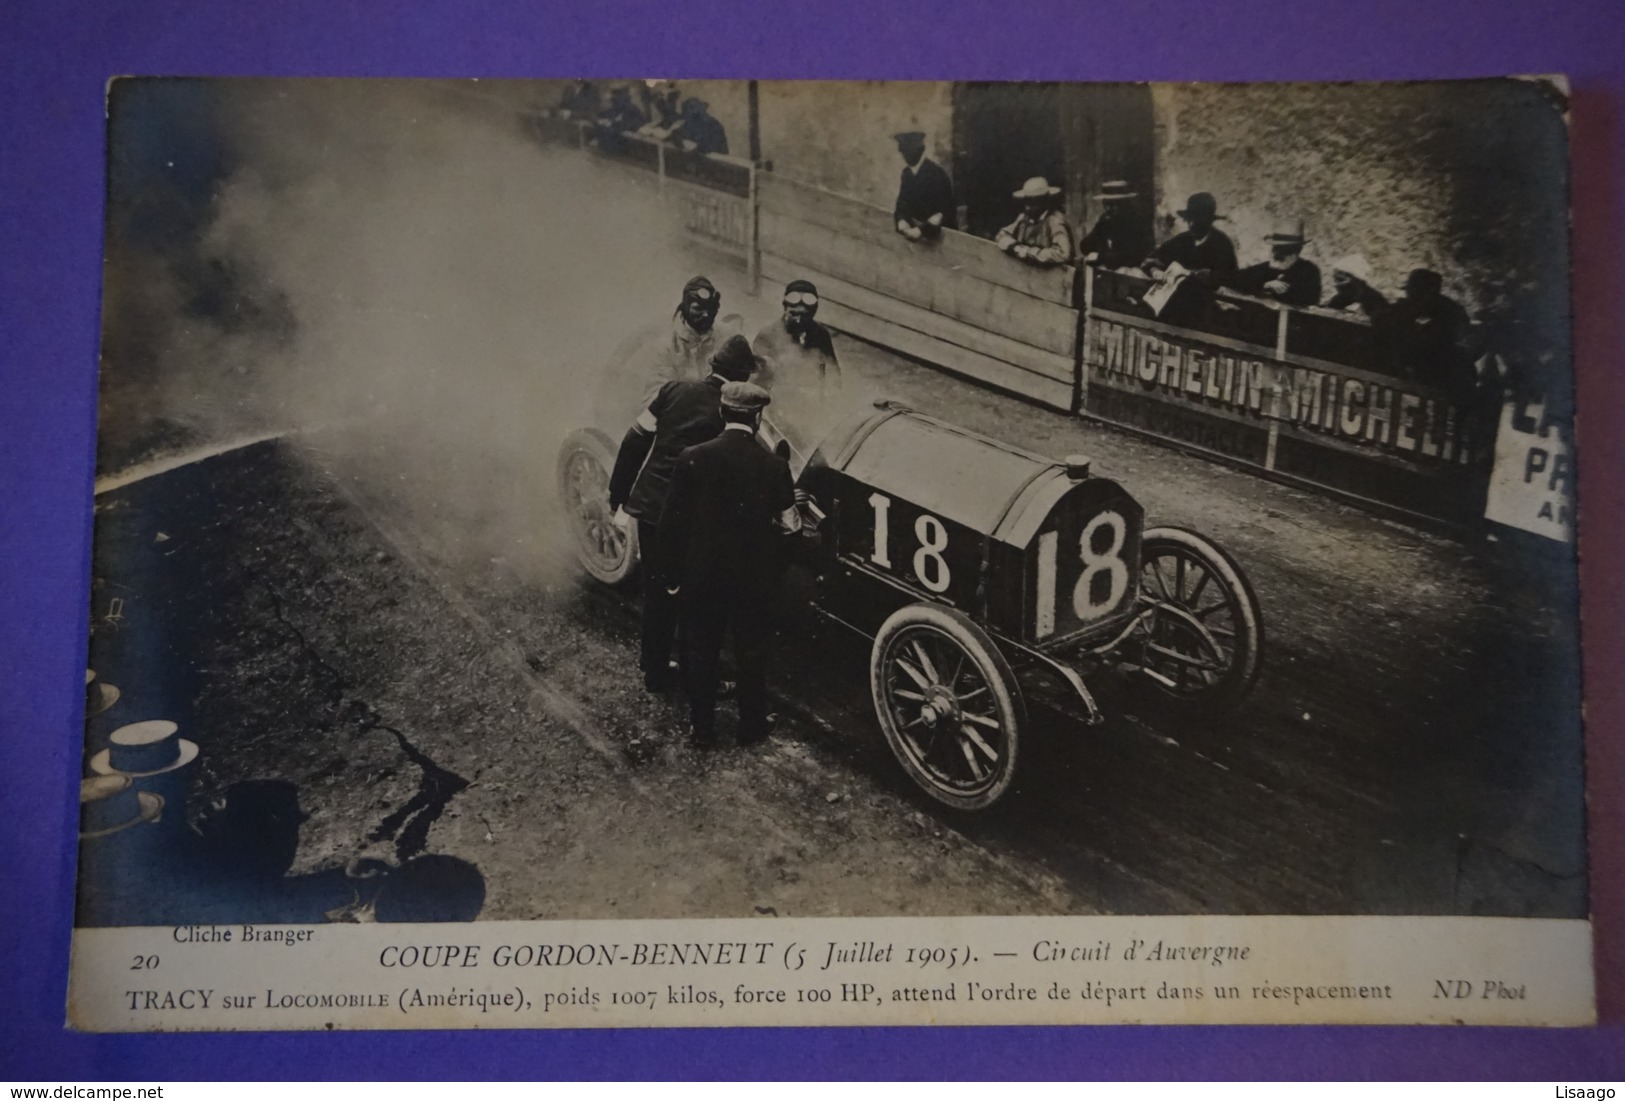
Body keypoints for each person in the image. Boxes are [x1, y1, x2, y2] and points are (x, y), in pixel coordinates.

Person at [607, 335, 762, 692]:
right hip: (692, 519)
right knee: (697, 599)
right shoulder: (733, 413)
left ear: (712, 365)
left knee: (658, 592)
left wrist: (619, 494)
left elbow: (634, 440)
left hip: (650, 506)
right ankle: (697, 678)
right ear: (744, 379)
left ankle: (655, 669)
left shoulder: (672, 390)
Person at [659, 381, 804, 747]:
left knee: (701, 650)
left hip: (701, 576)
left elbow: (671, 524)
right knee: (751, 652)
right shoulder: (774, 467)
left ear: (722, 413)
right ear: (757, 418)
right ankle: (751, 725)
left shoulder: (692, 457)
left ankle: (702, 730)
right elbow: (791, 529)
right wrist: (772, 569)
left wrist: (673, 575)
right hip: (751, 580)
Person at [751, 279, 841, 457]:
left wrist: (830, 400)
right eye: (794, 314)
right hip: (777, 411)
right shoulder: (767, 336)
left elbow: (832, 372)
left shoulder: (820, 334)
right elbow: (757, 380)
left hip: (810, 409)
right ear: (785, 308)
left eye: (805, 315)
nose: (799, 320)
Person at [1378, 268, 1479, 396]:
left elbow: (1457, 340)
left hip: (1442, 374)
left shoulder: (1450, 310)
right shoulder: (1412, 305)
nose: (1408, 293)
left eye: (1413, 289)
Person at [1144, 192, 1238, 285]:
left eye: (1197, 221)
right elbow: (1152, 259)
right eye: (1190, 219)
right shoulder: (1182, 240)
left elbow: (1228, 279)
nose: (1191, 225)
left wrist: (1190, 274)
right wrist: (1155, 270)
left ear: (1208, 221)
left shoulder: (1221, 244)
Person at [1232, 223, 1322, 307]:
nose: (1277, 253)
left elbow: (1309, 300)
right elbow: (1236, 279)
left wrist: (1281, 291)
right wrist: (1264, 285)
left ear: (1297, 250)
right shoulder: (1265, 267)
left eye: (1284, 250)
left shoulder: (1309, 271)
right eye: (1275, 248)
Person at [995, 177, 1075, 267]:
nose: (1028, 208)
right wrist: (1014, 246)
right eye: (1026, 202)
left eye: (1033, 203)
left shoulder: (1055, 221)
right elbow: (1002, 235)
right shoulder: (1023, 218)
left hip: (1052, 276)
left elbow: (1062, 253)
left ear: (1045, 202)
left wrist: (1028, 252)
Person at [892, 131, 956, 241]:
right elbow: (902, 203)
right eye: (904, 153)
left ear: (920, 151)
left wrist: (922, 231)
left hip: (941, 239)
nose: (906, 157)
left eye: (909, 153)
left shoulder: (936, 174)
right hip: (917, 236)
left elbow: (945, 212)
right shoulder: (907, 174)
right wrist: (902, 220)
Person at [1076, 179, 1153, 270]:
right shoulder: (1107, 219)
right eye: (1106, 204)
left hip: (1133, 272)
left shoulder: (1136, 221)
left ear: (1124, 203)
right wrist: (1101, 228)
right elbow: (1085, 245)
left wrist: (1100, 257)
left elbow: (1132, 255)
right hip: (1111, 271)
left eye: (1113, 204)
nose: (1109, 208)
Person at [1323, 254, 1388, 318]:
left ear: (1356, 281)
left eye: (1341, 279)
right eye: (1335, 279)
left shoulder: (1374, 300)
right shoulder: (1343, 297)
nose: (1335, 284)